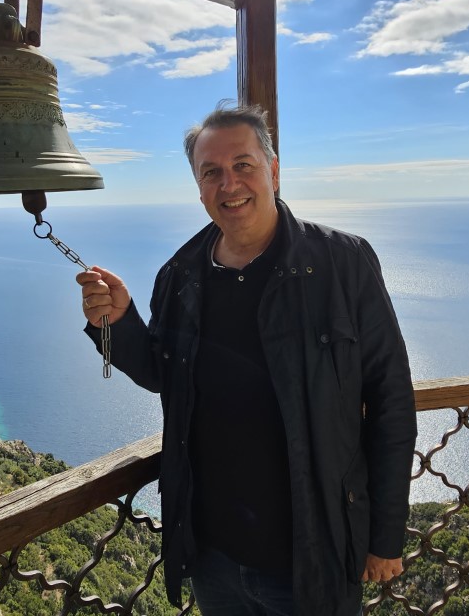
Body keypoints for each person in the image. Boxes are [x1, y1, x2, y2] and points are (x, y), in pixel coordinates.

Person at [76, 104, 417, 616]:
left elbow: (390, 399)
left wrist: (385, 534)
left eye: (243, 165)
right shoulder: (180, 274)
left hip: (311, 554)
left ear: (273, 171)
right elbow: (163, 375)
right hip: (213, 556)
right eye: (211, 172)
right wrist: (120, 323)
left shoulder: (342, 263)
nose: (229, 184)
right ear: (198, 187)